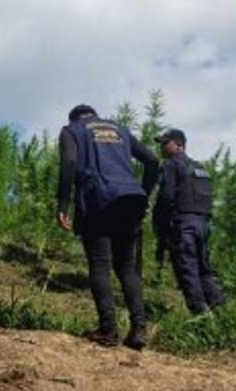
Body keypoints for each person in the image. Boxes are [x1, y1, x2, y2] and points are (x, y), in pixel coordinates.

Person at [57, 104, 159, 350]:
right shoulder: (120, 129)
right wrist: (143, 193)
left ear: (74, 118)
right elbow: (153, 161)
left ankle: (108, 330)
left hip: (98, 198)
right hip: (130, 198)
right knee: (127, 268)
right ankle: (139, 330)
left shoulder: (72, 130)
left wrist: (62, 205)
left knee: (100, 263)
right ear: (94, 115)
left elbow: (69, 163)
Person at [154, 128, 225, 315]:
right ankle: (221, 310)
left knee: (187, 269)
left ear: (179, 145)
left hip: (183, 224)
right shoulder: (200, 167)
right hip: (203, 225)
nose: (161, 146)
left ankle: (200, 314)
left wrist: (158, 221)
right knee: (203, 269)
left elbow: (166, 195)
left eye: (165, 142)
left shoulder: (171, 164)